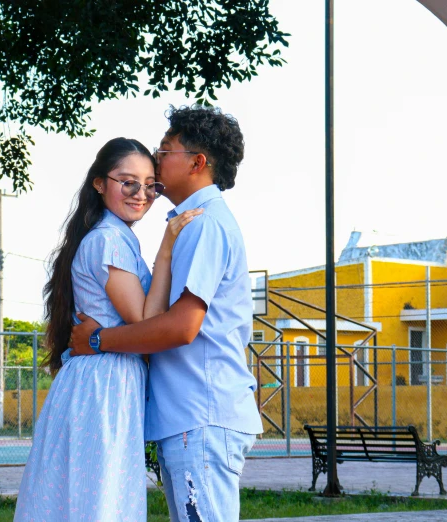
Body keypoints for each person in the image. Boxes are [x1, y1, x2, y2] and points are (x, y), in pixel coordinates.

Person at [71, 106, 263, 522]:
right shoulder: (187, 225)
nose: (156, 160)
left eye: (165, 151)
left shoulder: (203, 224)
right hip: (191, 415)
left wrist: (97, 340)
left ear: (197, 162)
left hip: (202, 414)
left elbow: (181, 326)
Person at [14, 137, 201, 521]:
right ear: (99, 183)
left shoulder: (114, 236)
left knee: (92, 499)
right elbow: (145, 324)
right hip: (103, 385)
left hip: (102, 380)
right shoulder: (108, 240)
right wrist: (166, 247)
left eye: (151, 184)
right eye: (127, 181)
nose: (141, 194)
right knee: (100, 501)